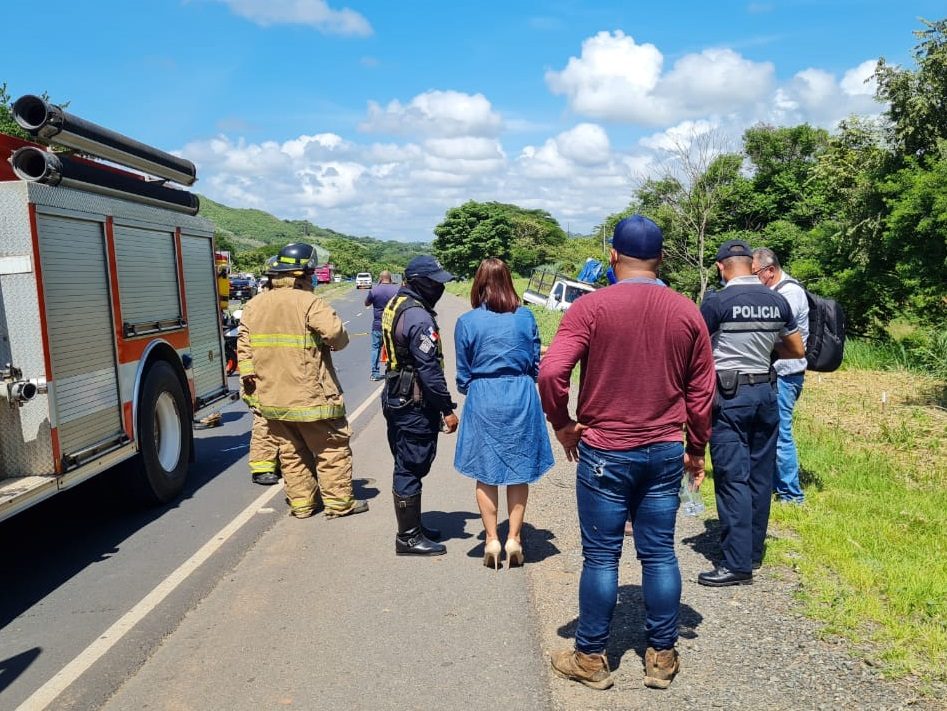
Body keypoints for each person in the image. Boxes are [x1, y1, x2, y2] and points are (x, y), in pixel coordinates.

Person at [539, 216, 716, 691]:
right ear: (659, 259)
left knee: (601, 557)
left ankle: (592, 658)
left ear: (613, 256)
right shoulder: (686, 312)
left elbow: (551, 372)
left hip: (603, 451)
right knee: (659, 553)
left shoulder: (590, 308)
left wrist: (563, 424)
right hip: (663, 450)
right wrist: (696, 449)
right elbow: (703, 393)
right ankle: (661, 658)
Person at [698, 240, 804, 587]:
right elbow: (796, 348)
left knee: (732, 478)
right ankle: (753, 551)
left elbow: (695, 349)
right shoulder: (777, 300)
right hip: (766, 393)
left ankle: (736, 564)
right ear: (751, 265)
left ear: (721, 267)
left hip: (729, 395)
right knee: (760, 476)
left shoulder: (717, 302)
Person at [237, 243, 369, 520]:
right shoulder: (309, 302)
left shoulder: (253, 305)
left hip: (272, 397)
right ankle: (339, 504)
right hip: (312, 395)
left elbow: (244, 349)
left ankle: (302, 505)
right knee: (331, 450)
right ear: (303, 275)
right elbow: (337, 335)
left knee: (291, 454)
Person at [453, 258, 554, 569]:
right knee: (518, 470)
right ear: (510, 283)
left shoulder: (467, 322)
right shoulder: (525, 317)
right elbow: (536, 365)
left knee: (486, 473)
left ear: (478, 285)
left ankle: (491, 539)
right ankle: (514, 538)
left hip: (484, 395)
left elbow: (463, 376)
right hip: (521, 395)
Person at [381, 255, 459, 556]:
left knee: (407, 460)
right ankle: (408, 537)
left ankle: (414, 527)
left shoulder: (397, 304)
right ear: (420, 283)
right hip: (413, 399)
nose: (439, 287)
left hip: (396, 391)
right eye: (435, 282)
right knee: (411, 464)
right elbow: (429, 370)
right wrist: (447, 408)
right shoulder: (419, 317)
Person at [751, 247, 810, 504]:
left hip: (787, 374)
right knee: (770, 431)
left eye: (754, 273)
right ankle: (776, 486)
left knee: (782, 433)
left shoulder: (790, 293)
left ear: (770, 270)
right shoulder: (772, 292)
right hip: (775, 373)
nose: (752, 279)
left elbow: (775, 332)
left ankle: (791, 494)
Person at [241, 258, 281, 486]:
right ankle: (263, 467)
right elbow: (244, 342)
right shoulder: (256, 305)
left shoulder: (279, 303)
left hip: (277, 372)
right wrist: (249, 375)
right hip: (261, 374)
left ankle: (280, 464)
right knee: (264, 421)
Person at [364, 271, 400, 381]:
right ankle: (393, 371)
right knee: (393, 348)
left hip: (378, 325)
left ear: (380, 278)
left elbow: (367, 303)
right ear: (390, 278)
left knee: (376, 348)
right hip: (392, 325)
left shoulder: (374, 290)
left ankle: (375, 373)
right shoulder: (396, 290)